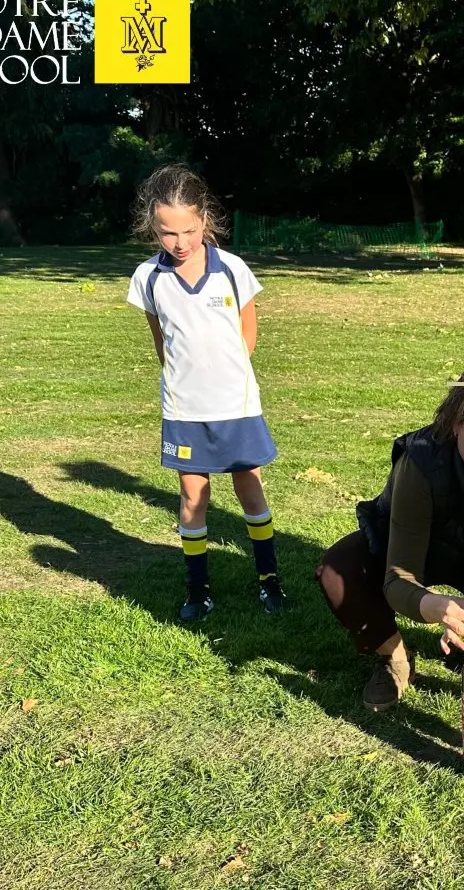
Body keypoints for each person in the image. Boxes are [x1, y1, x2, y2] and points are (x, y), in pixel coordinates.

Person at [316, 359, 464, 712]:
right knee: (340, 569)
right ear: (456, 424)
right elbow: (399, 575)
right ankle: (394, 657)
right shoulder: (420, 460)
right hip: (418, 549)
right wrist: (437, 607)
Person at [126, 164, 287, 622]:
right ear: (152, 227)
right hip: (185, 410)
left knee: (250, 488)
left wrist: (228, 381)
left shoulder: (232, 269)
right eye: (167, 233)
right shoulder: (147, 278)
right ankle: (198, 590)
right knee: (192, 497)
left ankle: (269, 580)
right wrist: (186, 384)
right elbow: (161, 343)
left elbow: (247, 335)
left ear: (205, 219)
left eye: (189, 230)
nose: (180, 242)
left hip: (236, 406)